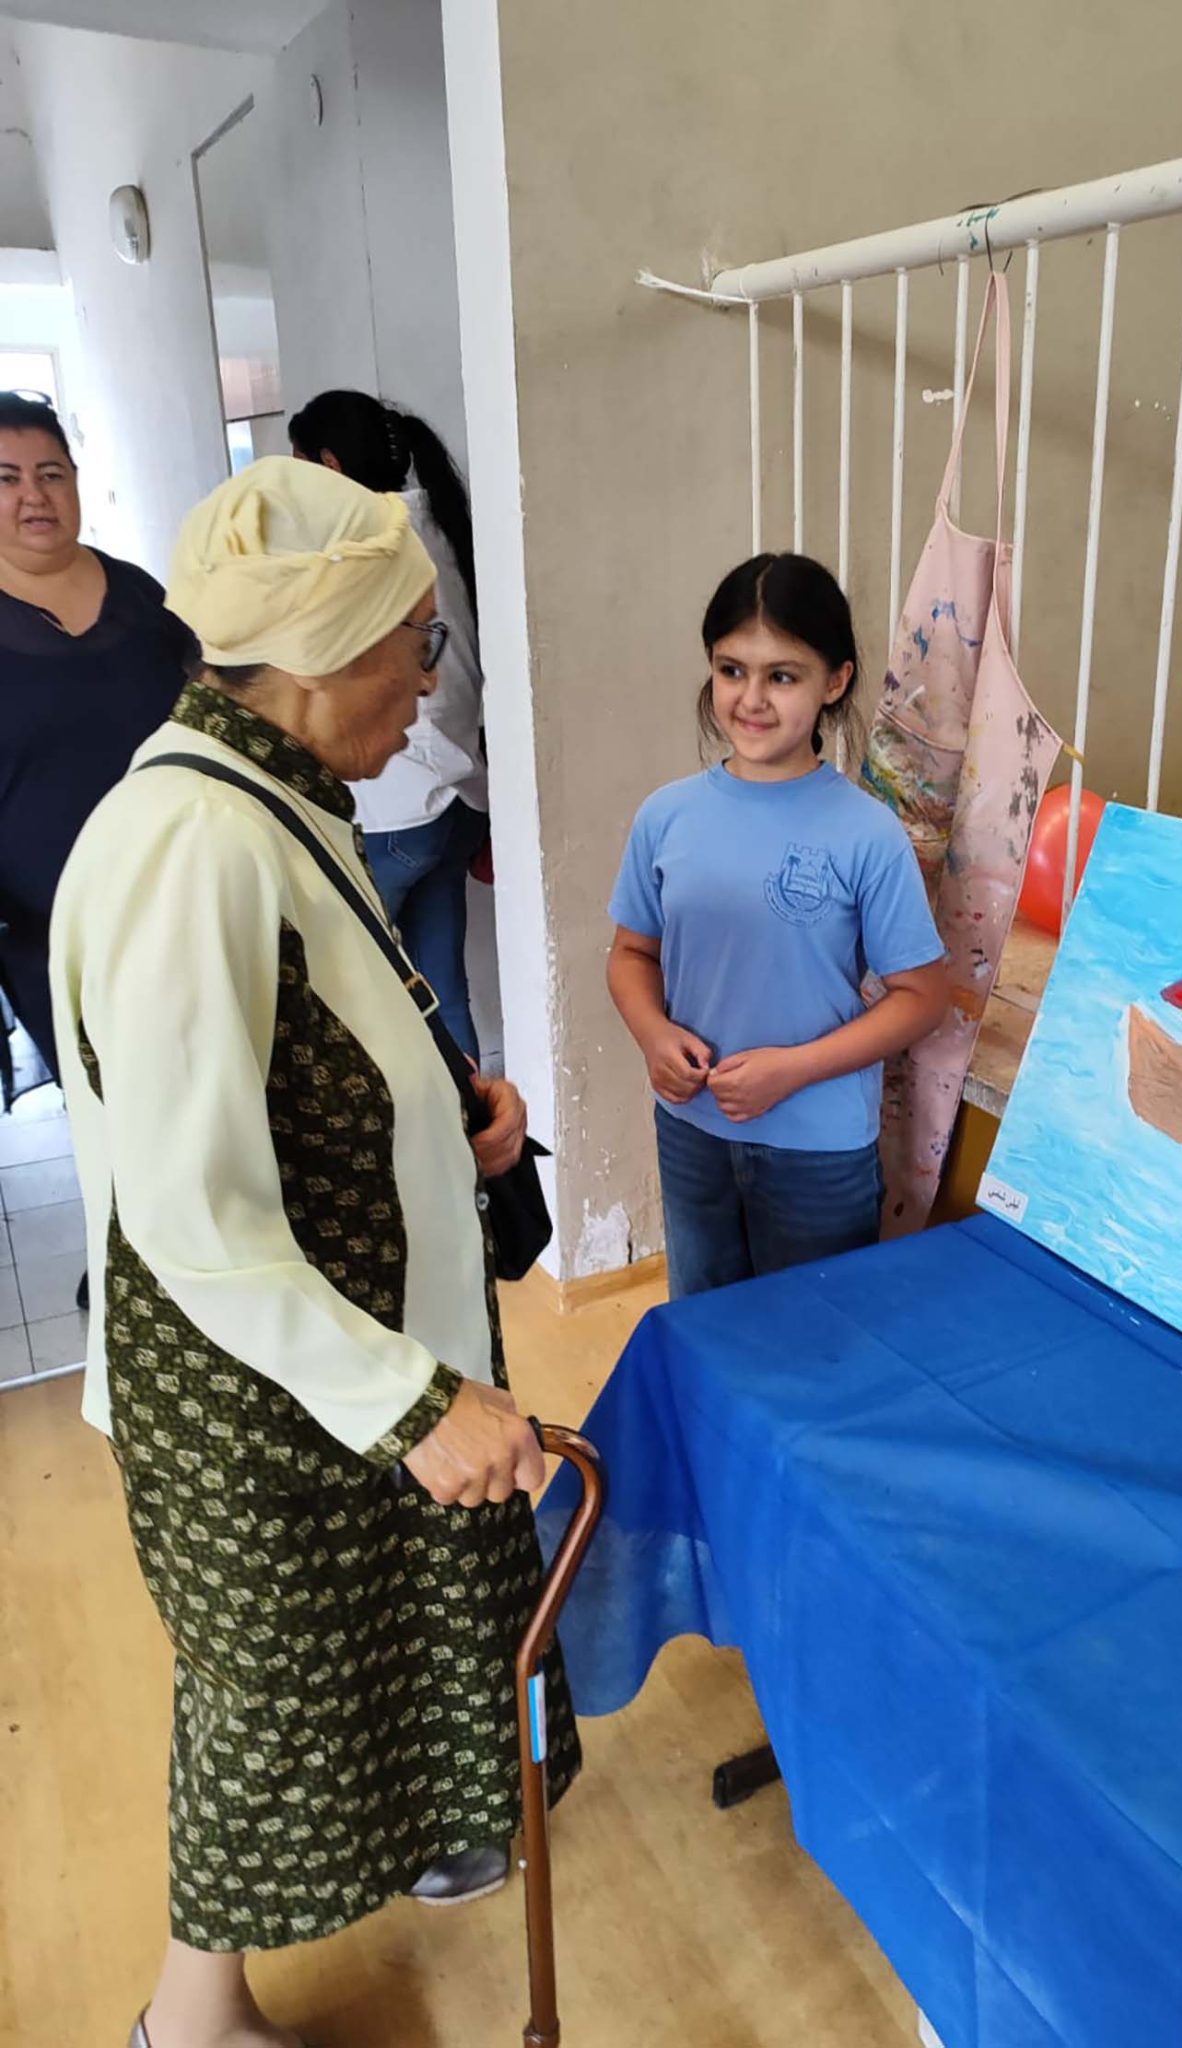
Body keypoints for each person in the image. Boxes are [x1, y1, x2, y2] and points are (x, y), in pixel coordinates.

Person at [50, 458, 577, 2048]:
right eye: (417, 649)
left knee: (382, 1656)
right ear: (322, 656)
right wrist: (414, 1405)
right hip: (264, 1396)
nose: (427, 690)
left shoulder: (269, 796)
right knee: (268, 1716)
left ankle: (434, 1837)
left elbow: (308, 1053)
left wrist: (450, 1115)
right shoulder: (189, 844)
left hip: (336, 1352)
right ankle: (188, 2027)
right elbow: (194, 1211)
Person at [607, 553, 948, 1299]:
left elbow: (922, 997)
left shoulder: (867, 834)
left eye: (783, 676)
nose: (752, 699)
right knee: (703, 1325)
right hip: (692, 1131)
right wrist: (652, 1034)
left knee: (812, 1341)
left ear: (836, 681)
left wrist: (791, 1071)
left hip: (818, 1150)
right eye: (732, 670)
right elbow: (631, 952)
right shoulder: (666, 815)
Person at [0, 392, 195, 1084]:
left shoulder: (140, 597)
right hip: (58, 946)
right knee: (119, 1119)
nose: (34, 495)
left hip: (186, 915)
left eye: (50, 473)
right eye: (7, 478)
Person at [288, 390, 487, 1057]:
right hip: (455, 804)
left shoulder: (365, 549)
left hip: (397, 807)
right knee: (441, 991)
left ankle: (409, 1122)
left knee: (352, 998)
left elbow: (395, 689)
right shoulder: (439, 529)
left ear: (331, 465)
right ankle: (471, 1121)